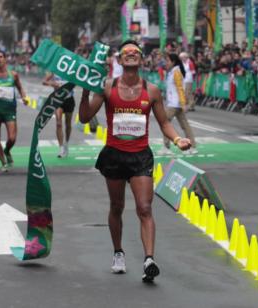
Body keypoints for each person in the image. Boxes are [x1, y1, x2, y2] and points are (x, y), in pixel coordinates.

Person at [78, 40, 192, 282]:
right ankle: (118, 253)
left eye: (135, 52)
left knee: (145, 207)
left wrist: (178, 139)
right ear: (119, 60)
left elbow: (164, 123)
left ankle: (149, 259)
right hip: (114, 155)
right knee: (116, 207)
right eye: (126, 52)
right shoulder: (108, 87)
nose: (130, 54)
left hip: (140, 156)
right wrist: (86, 91)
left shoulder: (151, 91)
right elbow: (85, 117)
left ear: (141, 60)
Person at [0, 50, 29, 171]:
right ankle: (3, 163)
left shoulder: (13, 75)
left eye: (1, 57)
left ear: (5, 59)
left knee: (12, 138)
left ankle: (7, 150)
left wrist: (24, 97)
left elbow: (20, 88)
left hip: (10, 111)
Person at [157, 53, 197, 155]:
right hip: (175, 103)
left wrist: (183, 103)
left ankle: (166, 147)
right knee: (184, 125)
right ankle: (192, 146)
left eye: (168, 61)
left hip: (175, 104)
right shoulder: (172, 71)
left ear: (173, 62)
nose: (166, 63)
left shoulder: (176, 72)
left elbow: (180, 88)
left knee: (164, 124)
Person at [42, 71, 75, 158]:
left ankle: (66, 144)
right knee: (58, 123)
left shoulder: (71, 71)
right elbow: (44, 81)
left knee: (68, 124)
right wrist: (53, 83)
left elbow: (77, 82)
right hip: (58, 100)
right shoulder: (54, 70)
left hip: (69, 100)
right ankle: (61, 148)